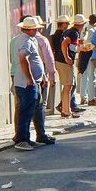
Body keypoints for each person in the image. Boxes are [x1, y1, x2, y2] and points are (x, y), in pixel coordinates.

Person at [13, 16, 51, 150]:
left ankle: (27, 138)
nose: (37, 30)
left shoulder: (27, 39)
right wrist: (30, 79)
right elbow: (24, 60)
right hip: (27, 83)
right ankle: (22, 139)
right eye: (35, 29)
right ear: (28, 29)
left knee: (31, 109)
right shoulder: (25, 41)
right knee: (26, 111)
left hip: (31, 81)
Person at [51, 16, 79, 119]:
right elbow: (63, 45)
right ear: (62, 24)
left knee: (67, 86)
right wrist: (67, 57)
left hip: (59, 61)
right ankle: (66, 110)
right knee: (68, 86)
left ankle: (66, 109)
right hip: (63, 62)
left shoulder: (54, 35)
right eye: (66, 23)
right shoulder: (61, 35)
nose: (68, 25)